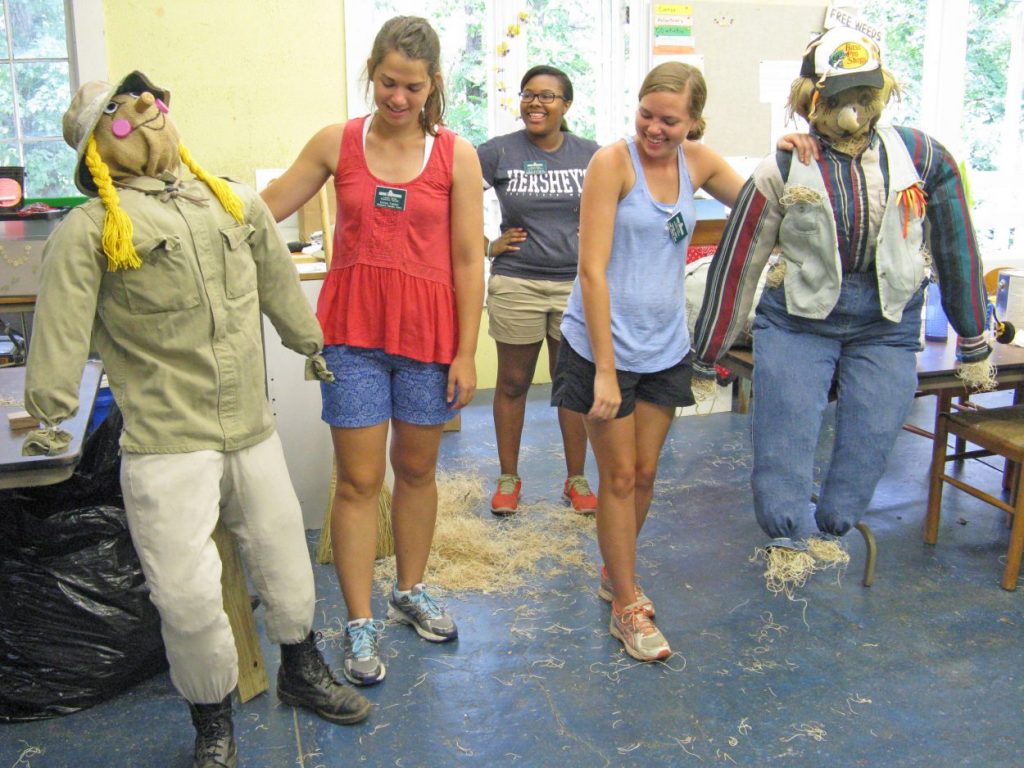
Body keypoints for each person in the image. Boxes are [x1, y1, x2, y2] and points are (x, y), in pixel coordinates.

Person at [23, 71, 370, 768]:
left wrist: (311, 343)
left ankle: (301, 669)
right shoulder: (93, 228)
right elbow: (60, 329)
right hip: (166, 438)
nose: (148, 119)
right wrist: (50, 414)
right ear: (97, 142)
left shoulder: (230, 202)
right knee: (184, 593)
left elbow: (277, 283)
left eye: (154, 105)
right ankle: (211, 720)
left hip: (250, 425)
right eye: (124, 116)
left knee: (284, 556)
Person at [690, 27, 992, 590]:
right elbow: (739, 264)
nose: (851, 107)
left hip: (888, 322)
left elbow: (956, 246)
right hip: (801, 319)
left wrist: (973, 337)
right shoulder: (780, 168)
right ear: (811, 99)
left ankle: (834, 526)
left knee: (875, 430)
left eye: (863, 93)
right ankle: (785, 535)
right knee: (786, 424)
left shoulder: (923, 157)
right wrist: (706, 356)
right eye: (837, 95)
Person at [261, 16, 484, 688]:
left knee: (416, 472)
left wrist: (466, 351)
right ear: (372, 74)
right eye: (388, 82)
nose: (397, 97)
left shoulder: (456, 156)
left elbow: (470, 259)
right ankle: (359, 620)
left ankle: (409, 589)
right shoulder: (338, 143)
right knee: (359, 482)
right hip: (352, 337)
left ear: (433, 84)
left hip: (429, 340)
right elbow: (263, 208)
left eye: (412, 86)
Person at [477, 65, 599, 516]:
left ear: (566, 105)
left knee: (571, 386)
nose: (536, 103)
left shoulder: (592, 155)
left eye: (548, 96)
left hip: (575, 286)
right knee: (512, 383)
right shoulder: (498, 152)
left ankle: (576, 480)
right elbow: (447, 195)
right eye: (529, 94)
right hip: (517, 282)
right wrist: (487, 245)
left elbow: (621, 204)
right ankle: (508, 478)